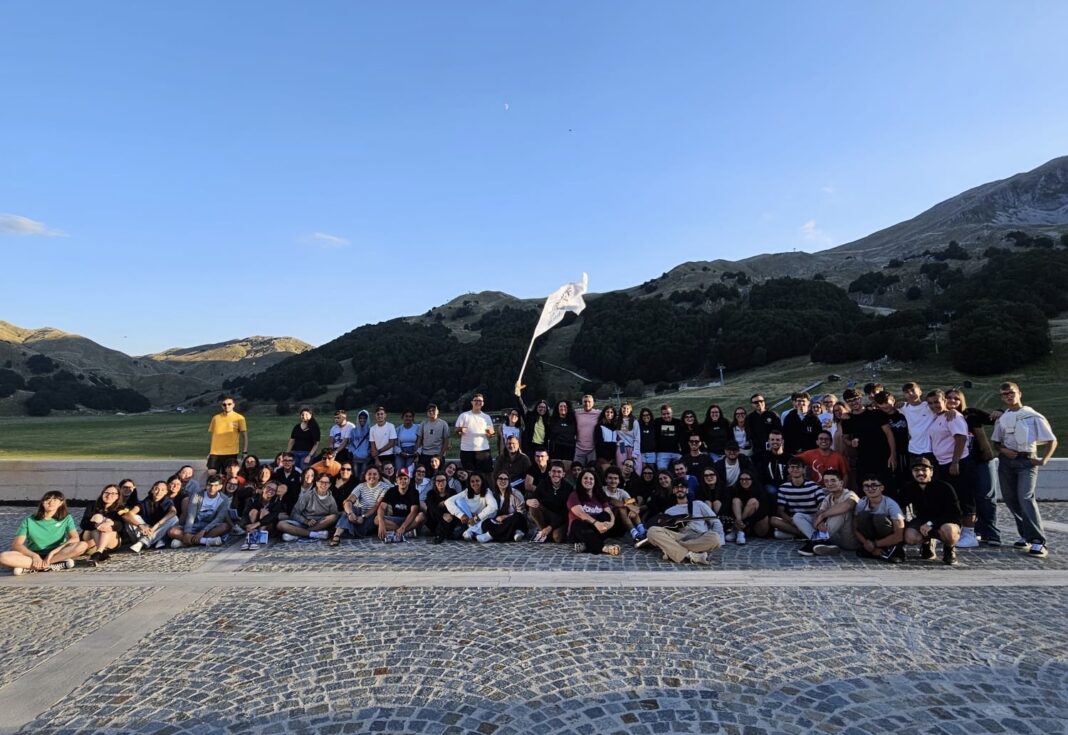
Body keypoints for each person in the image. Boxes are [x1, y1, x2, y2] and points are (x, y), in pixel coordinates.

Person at [991, 381, 1058, 558]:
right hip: (1007, 461)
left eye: (1011, 393)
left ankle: (1038, 540)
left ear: (1019, 393)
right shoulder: (1003, 418)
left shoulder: (1033, 416)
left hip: (1026, 461)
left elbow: (1051, 440)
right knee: (1011, 499)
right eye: (1004, 394)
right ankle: (1025, 534)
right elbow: (996, 442)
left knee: (1025, 497)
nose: (1008, 396)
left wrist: (1043, 460)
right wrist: (1004, 450)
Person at [947, 388, 1001, 547]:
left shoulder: (970, 413)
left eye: (956, 398)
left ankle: (991, 533)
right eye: (949, 398)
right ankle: (972, 530)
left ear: (961, 400)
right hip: (963, 462)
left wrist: (1000, 411)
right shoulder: (944, 417)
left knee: (986, 496)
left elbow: (992, 419)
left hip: (982, 460)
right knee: (967, 497)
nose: (952, 401)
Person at [926, 389, 978, 549]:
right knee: (952, 497)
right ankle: (958, 531)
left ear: (944, 401)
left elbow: (961, 438)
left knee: (965, 497)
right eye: (930, 403)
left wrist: (955, 462)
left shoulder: (953, 416)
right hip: (943, 463)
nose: (934, 405)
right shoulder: (938, 417)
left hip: (957, 462)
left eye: (937, 401)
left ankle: (970, 534)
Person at [2, 491, 87, 575]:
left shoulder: (66, 518)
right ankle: (51, 565)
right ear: (43, 502)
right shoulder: (29, 520)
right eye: (48, 499)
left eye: (55, 500)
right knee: (3, 557)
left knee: (82, 545)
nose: (51, 502)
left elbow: (75, 538)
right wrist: (34, 556)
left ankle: (30, 567)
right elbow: (17, 545)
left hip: (57, 554)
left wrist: (52, 553)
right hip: (33, 554)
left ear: (61, 503)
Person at [644, 478, 723, 565]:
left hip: (698, 536)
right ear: (674, 491)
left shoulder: (699, 504)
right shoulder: (669, 511)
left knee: (715, 538)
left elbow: (716, 522)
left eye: (683, 487)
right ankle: (691, 555)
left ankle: (673, 549)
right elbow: (668, 529)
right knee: (652, 531)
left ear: (687, 490)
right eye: (677, 487)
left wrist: (718, 540)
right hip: (679, 535)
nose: (680, 489)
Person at [902, 457, 962, 565]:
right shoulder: (909, 488)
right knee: (909, 536)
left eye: (924, 470)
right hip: (922, 521)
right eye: (916, 470)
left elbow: (955, 514)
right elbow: (899, 506)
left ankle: (949, 549)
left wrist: (932, 523)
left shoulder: (945, 487)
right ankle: (927, 543)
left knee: (949, 531)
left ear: (931, 471)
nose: (920, 473)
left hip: (945, 521)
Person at [770, 458, 826, 554]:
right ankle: (806, 534)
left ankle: (816, 539)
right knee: (773, 521)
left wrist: (818, 518)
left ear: (804, 469)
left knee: (780, 533)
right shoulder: (784, 488)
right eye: (792, 467)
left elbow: (823, 504)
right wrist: (791, 521)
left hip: (812, 518)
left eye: (798, 467)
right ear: (788, 470)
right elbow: (780, 510)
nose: (795, 469)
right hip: (795, 520)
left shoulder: (813, 486)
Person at [853, 475, 906, 563]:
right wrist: (867, 544)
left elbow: (899, 535)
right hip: (870, 540)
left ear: (882, 488)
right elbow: (855, 528)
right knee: (863, 516)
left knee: (879, 517)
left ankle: (890, 549)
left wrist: (875, 544)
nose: (870, 489)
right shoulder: (861, 503)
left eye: (874, 485)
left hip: (888, 538)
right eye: (867, 486)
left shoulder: (891, 505)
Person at [168, 476, 232, 548]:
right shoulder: (197, 495)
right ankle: (204, 541)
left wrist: (204, 530)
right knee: (172, 531)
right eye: (209, 485)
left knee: (224, 526)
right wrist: (187, 532)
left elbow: (219, 518)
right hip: (195, 524)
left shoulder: (224, 499)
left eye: (215, 486)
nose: (212, 488)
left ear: (220, 487)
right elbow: (191, 515)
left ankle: (185, 542)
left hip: (210, 526)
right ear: (206, 485)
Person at [566, 469, 620, 555]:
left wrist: (611, 523)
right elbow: (581, 514)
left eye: (591, 479)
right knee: (577, 523)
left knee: (605, 516)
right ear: (581, 480)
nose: (588, 480)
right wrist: (596, 523)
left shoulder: (599, 496)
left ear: (595, 482)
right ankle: (604, 548)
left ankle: (586, 545)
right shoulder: (574, 495)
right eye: (585, 478)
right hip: (579, 532)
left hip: (597, 530)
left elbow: (609, 512)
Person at [332, 466, 389, 542]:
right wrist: (350, 513)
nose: (372, 476)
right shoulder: (361, 486)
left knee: (366, 523)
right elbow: (348, 501)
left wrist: (363, 517)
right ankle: (337, 535)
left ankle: (347, 530)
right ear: (365, 476)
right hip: (358, 512)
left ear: (379, 476)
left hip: (372, 515)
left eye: (375, 474)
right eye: (369, 474)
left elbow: (376, 506)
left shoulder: (384, 487)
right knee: (348, 510)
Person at [809, 469, 858, 555]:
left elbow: (847, 506)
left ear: (841, 483)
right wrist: (820, 521)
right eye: (826, 481)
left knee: (841, 511)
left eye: (833, 480)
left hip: (851, 539)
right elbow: (818, 514)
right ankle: (826, 544)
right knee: (799, 516)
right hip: (836, 537)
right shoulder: (828, 497)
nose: (829, 484)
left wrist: (823, 515)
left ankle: (818, 541)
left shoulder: (850, 494)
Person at [278, 474, 338, 541]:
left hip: (318, 525)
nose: (324, 485)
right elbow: (294, 513)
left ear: (329, 485)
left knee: (334, 517)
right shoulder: (307, 496)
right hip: (303, 522)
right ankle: (314, 535)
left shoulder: (331, 499)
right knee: (280, 524)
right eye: (321, 482)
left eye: (326, 483)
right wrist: (306, 521)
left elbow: (333, 517)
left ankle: (298, 534)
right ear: (317, 483)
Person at [445, 472, 499, 541]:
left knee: (492, 511)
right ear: (469, 483)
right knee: (458, 501)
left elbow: (494, 506)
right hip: (469, 519)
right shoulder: (466, 492)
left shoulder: (487, 491)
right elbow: (448, 501)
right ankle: (473, 530)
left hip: (482, 518)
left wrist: (477, 518)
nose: (475, 483)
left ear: (482, 481)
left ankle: (470, 531)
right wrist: (461, 515)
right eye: (472, 481)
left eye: (477, 481)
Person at [128, 481, 180, 553]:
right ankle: (150, 541)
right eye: (156, 489)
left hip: (158, 529)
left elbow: (173, 512)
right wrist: (141, 526)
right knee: (133, 517)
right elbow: (130, 513)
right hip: (146, 530)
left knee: (174, 519)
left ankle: (143, 542)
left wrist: (156, 525)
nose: (159, 492)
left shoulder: (167, 502)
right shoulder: (145, 501)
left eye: (162, 490)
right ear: (152, 490)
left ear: (166, 492)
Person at [80, 484, 125, 564]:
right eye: (106, 492)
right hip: (90, 537)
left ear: (118, 496)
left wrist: (109, 523)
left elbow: (121, 525)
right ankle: (100, 552)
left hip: (111, 540)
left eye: (113, 493)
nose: (109, 495)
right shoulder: (92, 505)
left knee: (107, 525)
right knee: (97, 517)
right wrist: (96, 525)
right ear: (102, 494)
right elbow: (83, 524)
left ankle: (100, 552)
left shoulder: (120, 508)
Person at [478, 472, 528, 543]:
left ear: (509, 481)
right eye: (500, 478)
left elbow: (522, 512)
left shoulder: (515, 494)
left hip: (516, 521)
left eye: (505, 479)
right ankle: (511, 534)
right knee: (485, 523)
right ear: (496, 481)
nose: (503, 481)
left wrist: (506, 516)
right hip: (501, 522)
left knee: (517, 516)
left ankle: (491, 535)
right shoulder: (494, 495)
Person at [528, 461, 571, 543]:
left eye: (559, 472)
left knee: (557, 538)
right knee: (533, 505)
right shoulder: (543, 484)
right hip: (546, 516)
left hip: (560, 519)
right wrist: (528, 501)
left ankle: (546, 533)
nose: (556, 474)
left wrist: (551, 527)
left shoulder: (568, 488)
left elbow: (565, 513)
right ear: (549, 473)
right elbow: (534, 497)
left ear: (563, 474)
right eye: (554, 471)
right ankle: (543, 531)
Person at [602, 465, 646, 542]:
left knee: (629, 507)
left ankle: (642, 531)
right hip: (608, 524)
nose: (613, 481)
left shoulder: (622, 492)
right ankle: (635, 534)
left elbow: (633, 504)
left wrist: (632, 510)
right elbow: (612, 501)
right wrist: (628, 506)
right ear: (606, 479)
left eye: (615, 478)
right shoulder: (602, 490)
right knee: (621, 508)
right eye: (610, 478)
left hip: (621, 525)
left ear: (619, 480)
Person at [375, 470, 421, 543]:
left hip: (409, 519)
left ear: (409, 480)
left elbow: (414, 512)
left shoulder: (414, 492)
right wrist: (381, 523)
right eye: (400, 478)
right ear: (396, 480)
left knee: (421, 516)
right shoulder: (391, 490)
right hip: (395, 519)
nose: (402, 481)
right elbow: (382, 507)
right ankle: (406, 532)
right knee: (377, 519)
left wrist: (403, 527)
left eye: (405, 478)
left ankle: (401, 531)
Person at [207, 396, 248, 475]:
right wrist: (210, 451)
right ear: (222, 406)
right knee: (211, 472)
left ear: (233, 405)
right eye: (224, 404)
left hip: (231, 452)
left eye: (229, 404)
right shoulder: (216, 418)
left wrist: (244, 452)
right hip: (215, 452)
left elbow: (245, 436)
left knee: (228, 474)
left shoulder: (240, 418)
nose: (227, 406)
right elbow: (213, 436)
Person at [455, 394, 494, 472]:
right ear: (472, 402)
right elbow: (456, 430)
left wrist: (490, 433)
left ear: (483, 403)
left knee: (485, 474)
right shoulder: (464, 415)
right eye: (475, 400)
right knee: (468, 474)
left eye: (480, 401)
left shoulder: (486, 417)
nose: (477, 402)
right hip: (467, 450)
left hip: (483, 450)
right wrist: (460, 429)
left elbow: (491, 435)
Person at [239, 481, 283, 550]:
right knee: (254, 511)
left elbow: (273, 516)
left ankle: (257, 539)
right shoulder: (253, 499)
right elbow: (245, 514)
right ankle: (249, 537)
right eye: (269, 488)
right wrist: (246, 525)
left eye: (274, 490)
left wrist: (257, 524)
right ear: (263, 488)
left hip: (268, 527)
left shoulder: (277, 501)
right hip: (252, 525)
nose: (270, 491)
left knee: (264, 512)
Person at [900, 382, 936, 462]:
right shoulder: (904, 408)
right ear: (904, 395)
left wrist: (952, 411)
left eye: (913, 390)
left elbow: (944, 408)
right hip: (912, 449)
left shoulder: (929, 406)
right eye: (907, 392)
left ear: (920, 392)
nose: (910, 393)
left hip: (930, 449)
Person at [729, 470, 767, 543]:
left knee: (753, 501)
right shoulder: (735, 490)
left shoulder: (760, 490)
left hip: (754, 521)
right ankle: (740, 530)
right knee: (736, 500)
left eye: (747, 479)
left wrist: (747, 522)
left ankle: (738, 529)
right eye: (742, 479)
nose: (744, 481)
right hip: (740, 519)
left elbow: (763, 510)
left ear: (752, 480)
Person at [423, 472, 456, 544]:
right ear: (435, 482)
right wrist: (443, 515)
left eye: (443, 480)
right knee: (434, 509)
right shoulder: (430, 493)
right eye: (438, 481)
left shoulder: (452, 492)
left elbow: (455, 505)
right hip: (434, 521)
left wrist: (446, 502)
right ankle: (444, 534)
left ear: (446, 481)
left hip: (449, 519)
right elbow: (432, 507)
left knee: (450, 508)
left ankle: (441, 535)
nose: (440, 482)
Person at [417, 404, 451, 471]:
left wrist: (440, 456)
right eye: (429, 411)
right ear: (427, 413)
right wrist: (417, 453)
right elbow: (419, 439)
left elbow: (446, 440)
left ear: (437, 412)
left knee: (439, 475)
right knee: (425, 475)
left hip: (438, 454)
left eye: (433, 410)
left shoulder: (443, 424)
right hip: (425, 454)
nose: (431, 412)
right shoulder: (423, 423)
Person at [573, 394, 602, 466]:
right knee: (577, 470)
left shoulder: (598, 413)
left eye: (589, 401)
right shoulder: (576, 413)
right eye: (585, 401)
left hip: (592, 449)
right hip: (579, 448)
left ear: (593, 403)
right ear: (582, 402)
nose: (587, 403)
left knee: (592, 471)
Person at [653, 404, 684, 470]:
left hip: (676, 452)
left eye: (668, 413)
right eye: (664, 414)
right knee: (662, 471)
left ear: (671, 413)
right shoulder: (657, 422)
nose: (666, 416)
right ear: (661, 414)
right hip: (662, 453)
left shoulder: (678, 422)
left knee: (681, 470)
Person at [369, 406, 398, 470]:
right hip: (377, 457)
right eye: (378, 414)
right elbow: (372, 445)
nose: (380, 416)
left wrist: (379, 451)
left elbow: (391, 443)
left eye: (381, 414)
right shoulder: (372, 429)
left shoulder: (391, 426)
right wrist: (376, 459)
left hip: (389, 455)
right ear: (375, 416)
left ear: (385, 415)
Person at [395, 410, 420, 477]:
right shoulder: (398, 429)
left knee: (410, 471)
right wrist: (400, 452)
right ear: (403, 417)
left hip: (413, 452)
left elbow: (420, 441)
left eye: (410, 416)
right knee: (399, 469)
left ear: (413, 418)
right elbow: (395, 444)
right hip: (401, 452)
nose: (408, 418)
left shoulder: (417, 428)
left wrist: (417, 453)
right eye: (406, 416)